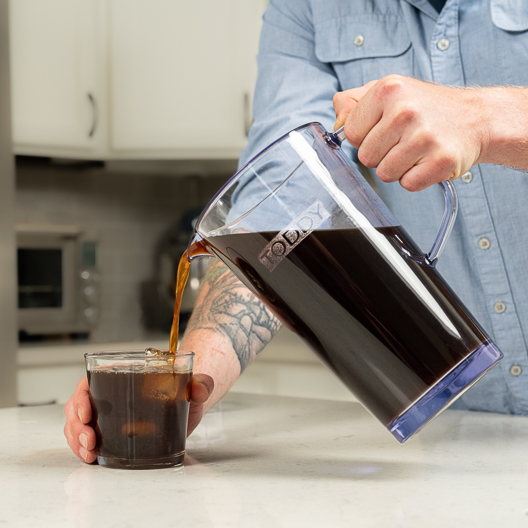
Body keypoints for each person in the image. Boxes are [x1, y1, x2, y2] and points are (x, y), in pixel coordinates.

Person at [65, 0, 528, 463]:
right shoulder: (305, 7)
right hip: (462, 430)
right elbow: (277, 217)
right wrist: (182, 387)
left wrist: (485, 118)